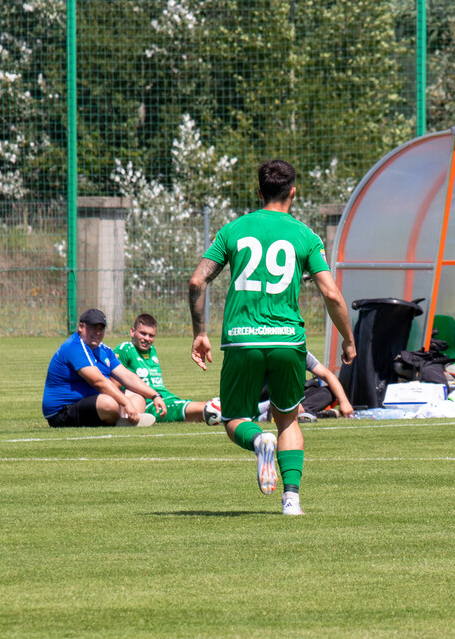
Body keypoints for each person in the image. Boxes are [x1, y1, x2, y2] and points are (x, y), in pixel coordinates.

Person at [188, 159, 356, 516]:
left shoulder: (233, 229)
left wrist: (200, 333)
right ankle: (291, 499)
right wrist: (348, 339)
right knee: (289, 420)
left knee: (234, 419)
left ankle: (258, 441)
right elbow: (331, 294)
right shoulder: (305, 236)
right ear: (293, 192)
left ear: (258, 192)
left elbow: (197, 281)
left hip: (241, 339)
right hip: (287, 341)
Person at [42, 308, 168, 428]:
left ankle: (123, 419)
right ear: (81, 327)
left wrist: (155, 395)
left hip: (93, 402)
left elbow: (126, 376)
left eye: (101, 329)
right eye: (93, 328)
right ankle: (122, 417)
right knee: (109, 403)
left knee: (138, 397)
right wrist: (125, 402)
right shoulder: (74, 347)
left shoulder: (103, 349)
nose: (98, 332)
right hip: (62, 411)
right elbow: (98, 382)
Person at [113, 313, 215, 423]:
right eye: (143, 333)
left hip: (166, 397)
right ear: (132, 332)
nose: (147, 338)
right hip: (150, 404)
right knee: (208, 408)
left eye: (151, 335)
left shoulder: (152, 350)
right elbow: (114, 385)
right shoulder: (125, 349)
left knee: (204, 406)